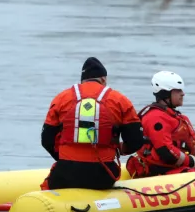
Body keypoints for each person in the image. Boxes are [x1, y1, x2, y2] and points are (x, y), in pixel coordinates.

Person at [40, 57, 145, 190]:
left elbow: (46, 140)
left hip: (66, 173)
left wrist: (63, 158)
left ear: (82, 80)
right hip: (102, 175)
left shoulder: (61, 98)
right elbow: (136, 141)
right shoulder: (120, 100)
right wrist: (119, 149)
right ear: (103, 79)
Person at [126, 70, 195, 178]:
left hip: (175, 166)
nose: (183, 93)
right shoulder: (156, 118)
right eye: (178, 91)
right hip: (161, 170)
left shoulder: (170, 115)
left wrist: (193, 158)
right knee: (194, 175)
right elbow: (166, 153)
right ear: (165, 94)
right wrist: (193, 161)